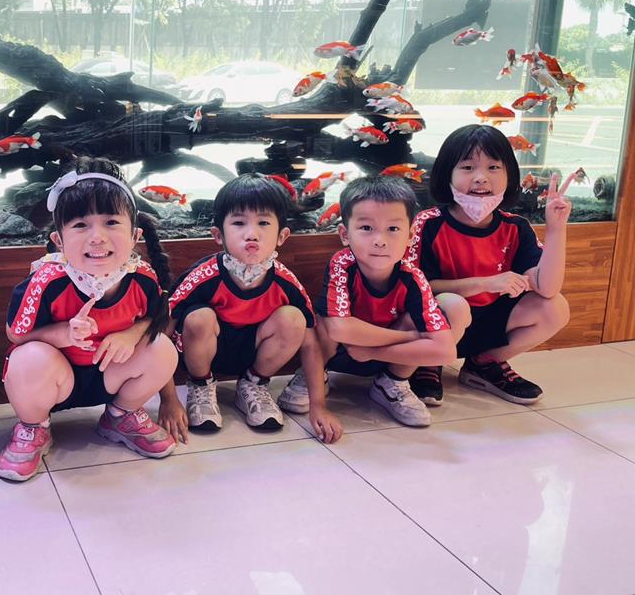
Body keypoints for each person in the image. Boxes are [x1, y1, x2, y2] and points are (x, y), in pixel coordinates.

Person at [0, 157, 179, 482]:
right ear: (59, 239)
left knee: (162, 348)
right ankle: (33, 427)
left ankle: (120, 416)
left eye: (111, 222)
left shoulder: (142, 277)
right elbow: (15, 334)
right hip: (57, 381)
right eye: (81, 225)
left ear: (135, 235)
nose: (97, 237)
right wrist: (63, 334)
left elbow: (156, 317)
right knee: (27, 358)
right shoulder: (47, 281)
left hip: (109, 375)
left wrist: (131, 335)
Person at [158, 173, 341, 444]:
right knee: (199, 317)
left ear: (282, 236)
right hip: (204, 354)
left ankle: (254, 385)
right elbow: (160, 335)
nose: (252, 234)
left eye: (263, 223)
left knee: (294, 319)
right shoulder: (202, 276)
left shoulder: (285, 281)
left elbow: (311, 343)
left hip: (254, 354)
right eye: (239, 222)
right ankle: (201, 387)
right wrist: (169, 399)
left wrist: (319, 405)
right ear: (218, 235)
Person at [279, 176, 470, 427]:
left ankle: (392, 383)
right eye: (367, 228)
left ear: (410, 235)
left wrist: (370, 350)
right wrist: (413, 337)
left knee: (450, 309)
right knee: (323, 322)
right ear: (345, 234)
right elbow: (340, 329)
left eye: (393, 229)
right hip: (342, 350)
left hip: (385, 354)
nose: (380, 240)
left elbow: (445, 351)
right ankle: (313, 376)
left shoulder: (413, 277)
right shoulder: (342, 264)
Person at [406, 124, 571, 406]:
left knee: (555, 307)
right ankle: (427, 362)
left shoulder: (515, 227)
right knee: (452, 304)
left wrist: (556, 229)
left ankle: (484, 363)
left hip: (489, 321)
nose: (481, 178)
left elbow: (547, 287)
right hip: (441, 321)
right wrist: (486, 283)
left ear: (509, 174)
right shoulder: (428, 223)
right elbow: (418, 287)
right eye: (467, 167)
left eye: (493, 167)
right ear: (447, 173)